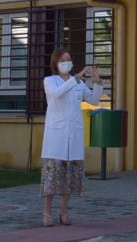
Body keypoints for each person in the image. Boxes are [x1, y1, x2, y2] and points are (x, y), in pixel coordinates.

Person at [40, 47, 102, 227]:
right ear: (56, 63)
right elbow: (57, 94)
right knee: (52, 178)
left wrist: (98, 83)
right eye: (62, 60)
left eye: (69, 59)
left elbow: (94, 100)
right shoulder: (50, 81)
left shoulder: (79, 85)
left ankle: (64, 212)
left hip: (73, 136)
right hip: (55, 139)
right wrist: (77, 77)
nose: (66, 63)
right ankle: (46, 213)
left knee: (68, 178)